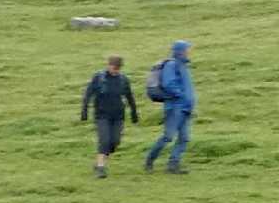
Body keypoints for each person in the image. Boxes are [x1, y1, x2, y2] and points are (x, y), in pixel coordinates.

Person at [80, 55, 138, 178]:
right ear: (109, 65)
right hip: (102, 115)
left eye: (118, 68)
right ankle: (101, 168)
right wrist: (84, 111)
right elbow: (88, 94)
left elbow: (129, 97)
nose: (115, 70)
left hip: (118, 116)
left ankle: (99, 162)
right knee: (105, 140)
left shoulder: (123, 80)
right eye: (114, 67)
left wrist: (134, 112)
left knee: (115, 142)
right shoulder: (99, 78)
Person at [143, 40, 195, 173]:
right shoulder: (172, 65)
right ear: (180, 51)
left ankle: (173, 165)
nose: (189, 51)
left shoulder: (183, 66)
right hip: (175, 107)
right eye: (187, 49)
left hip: (185, 108)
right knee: (168, 137)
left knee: (184, 138)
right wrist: (181, 95)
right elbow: (168, 84)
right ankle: (149, 160)